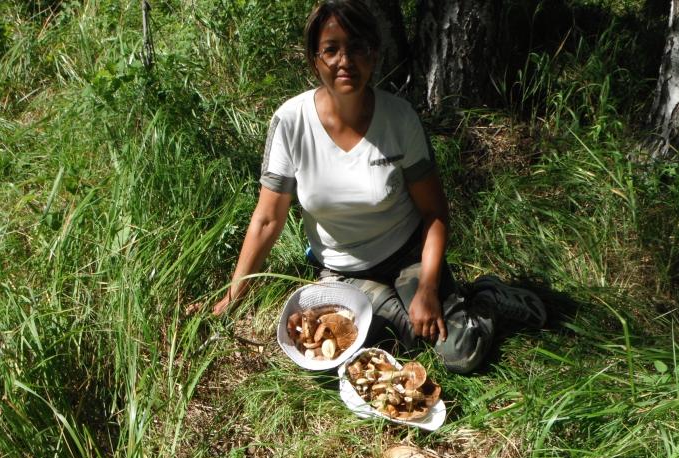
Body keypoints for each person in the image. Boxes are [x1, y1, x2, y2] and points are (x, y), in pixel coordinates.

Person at [197, 0, 546, 374]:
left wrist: (428, 288)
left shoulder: (399, 119)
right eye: (331, 49)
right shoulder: (290, 122)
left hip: (408, 254)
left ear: (374, 54)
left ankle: (487, 298)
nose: (345, 61)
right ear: (314, 60)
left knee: (459, 352)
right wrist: (234, 294)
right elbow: (267, 219)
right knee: (358, 344)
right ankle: (443, 306)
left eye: (357, 47)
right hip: (343, 272)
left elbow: (434, 212)